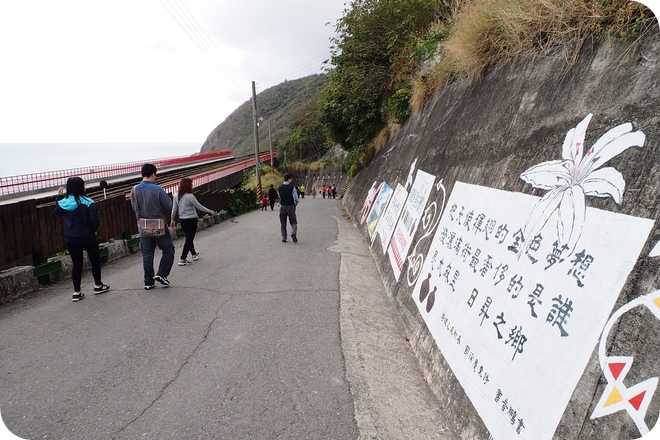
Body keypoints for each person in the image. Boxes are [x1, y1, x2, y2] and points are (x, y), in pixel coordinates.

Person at [55, 177, 110, 302]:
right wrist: (92, 229)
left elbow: (57, 210)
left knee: (77, 264)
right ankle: (98, 285)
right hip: (88, 237)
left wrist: (59, 196)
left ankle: (77, 292)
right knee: (95, 261)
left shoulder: (66, 202)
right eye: (84, 184)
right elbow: (94, 221)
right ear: (81, 187)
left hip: (71, 238)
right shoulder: (88, 201)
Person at [131, 163, 175, 290]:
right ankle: (162, 274)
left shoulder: (134, 190)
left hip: (143, 226)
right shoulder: (158, 189)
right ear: (153, 174)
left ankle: (148, 282)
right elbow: (168, 205)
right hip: (159, 225)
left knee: (147, 254)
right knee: (168, 249)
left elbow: (135, 208)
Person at [170, 177, 216, 266]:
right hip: (191, 220)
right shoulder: (190, 196)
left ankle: (194, 254)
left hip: (182, 220)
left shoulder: (176, 196)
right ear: (188, 185)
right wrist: (209, 211)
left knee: (188, 237)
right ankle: (182, 258)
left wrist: (172, 219)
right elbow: (199, 206)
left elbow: (174, 209)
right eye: (191, 184)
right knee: (189, 239)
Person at [277, 173, 299, 243]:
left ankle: (284, 237)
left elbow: (280, 197)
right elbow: (296, 199)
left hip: (282, 206)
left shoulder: (279, 187)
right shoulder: (292, 188)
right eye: (291, 179)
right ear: (289, 179)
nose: (292, 180)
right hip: (291, 206)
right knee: (293, 222)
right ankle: (293, 233)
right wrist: (295, 204)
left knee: (283, 223)